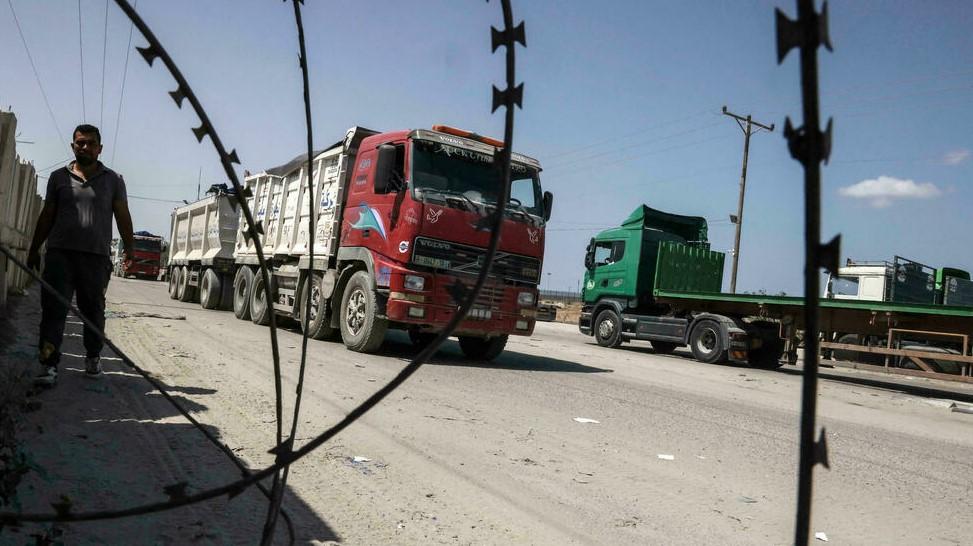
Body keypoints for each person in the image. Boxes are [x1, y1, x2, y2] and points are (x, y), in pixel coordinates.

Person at [27, 124, 134, 387]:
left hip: (95, 258)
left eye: (90, 143)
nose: (84, 147)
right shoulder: (58, 178)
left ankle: (93, 356)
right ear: (72, 146)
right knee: (53, 311)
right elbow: (47, 215)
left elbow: (122, 215)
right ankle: (48, 364)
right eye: (79, 143)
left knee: (93, 312)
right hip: (59, 255)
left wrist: (130, 250)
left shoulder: (113, 180)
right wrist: (33, 248)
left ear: (100, 148)